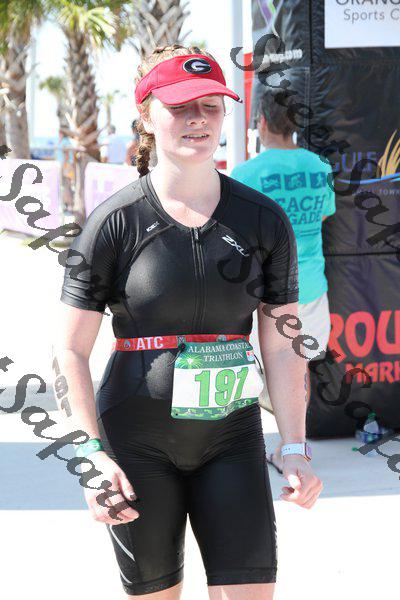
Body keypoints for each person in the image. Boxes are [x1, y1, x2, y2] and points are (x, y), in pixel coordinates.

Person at [54, 44, 323, 600]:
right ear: (146, 115)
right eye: (179, 106)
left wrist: (294, 445)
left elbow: (282, 344)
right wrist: (90, 456)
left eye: (210, 105)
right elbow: (69, 351)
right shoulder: (113, 223)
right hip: (137, 448)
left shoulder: (263, 220)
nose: (197, 118)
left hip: (232, 441)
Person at [230, 89, 336, 475]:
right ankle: (292, 448)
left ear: (261, 122)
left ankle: (252, 447)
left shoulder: (246, 174)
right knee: (298, 368)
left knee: (251, 370)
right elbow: (323, 217)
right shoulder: (319, 166)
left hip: (262, 292)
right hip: (311, 285)